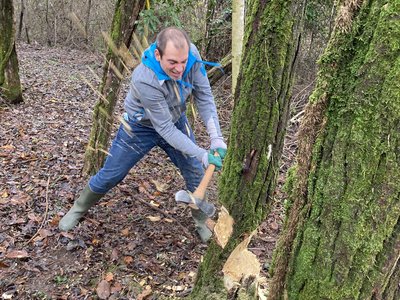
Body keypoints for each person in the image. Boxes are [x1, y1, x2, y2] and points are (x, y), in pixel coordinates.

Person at [59, 27, 227, 242]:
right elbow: (163, 128)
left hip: (175, 119)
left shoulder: (191, 56)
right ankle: (79, 207)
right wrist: (202, 153)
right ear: (158, 55)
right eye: (173, 62)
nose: (179, 68)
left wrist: (216, 137)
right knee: (112, 173)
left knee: (194, 172)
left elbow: (204, 96)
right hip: (140, 127)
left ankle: (201, 220)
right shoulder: (144, 78)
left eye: (183, 62)